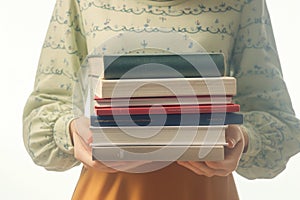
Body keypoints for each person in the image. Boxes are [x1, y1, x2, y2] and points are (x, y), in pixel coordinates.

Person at [23, 0, 300, 199]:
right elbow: (44, 111)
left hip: (205, 189)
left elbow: (280, 121)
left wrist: (244, 139)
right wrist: (70, 132)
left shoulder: (243, 3)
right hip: (107, 190)